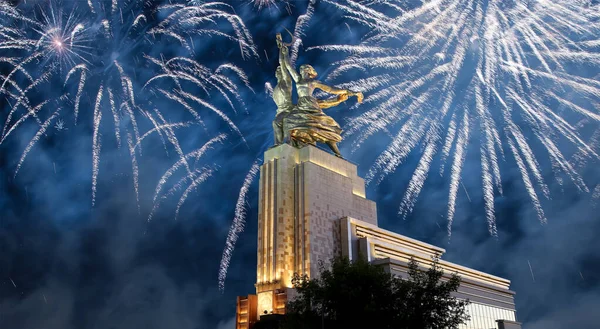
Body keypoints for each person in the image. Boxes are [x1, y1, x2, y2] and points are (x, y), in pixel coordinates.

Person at [280, 45, 363, 158]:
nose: (301, 70)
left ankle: (337, 153)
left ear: (309, 71)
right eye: (301, 69)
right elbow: (289, 67)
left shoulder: (313, 82)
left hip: (311, 104)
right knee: (289, 120)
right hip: (301, 105)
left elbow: (332, 89)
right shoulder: (298, 79)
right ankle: (288, 141)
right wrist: (284, 53)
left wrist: (352, 92)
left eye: (304, 69)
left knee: (321, 125)